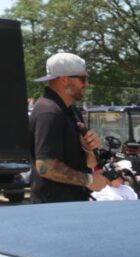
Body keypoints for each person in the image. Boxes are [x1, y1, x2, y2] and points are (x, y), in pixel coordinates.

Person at [28, 52, 107, 203]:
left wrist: (89, 149)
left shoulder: (72, 111)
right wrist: (89, 180)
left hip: (72, 204)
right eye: (82, 79)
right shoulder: (49, 112)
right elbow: (45, 166)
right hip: (53, 209)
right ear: (64, 80)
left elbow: (89, 163)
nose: (86, 84)